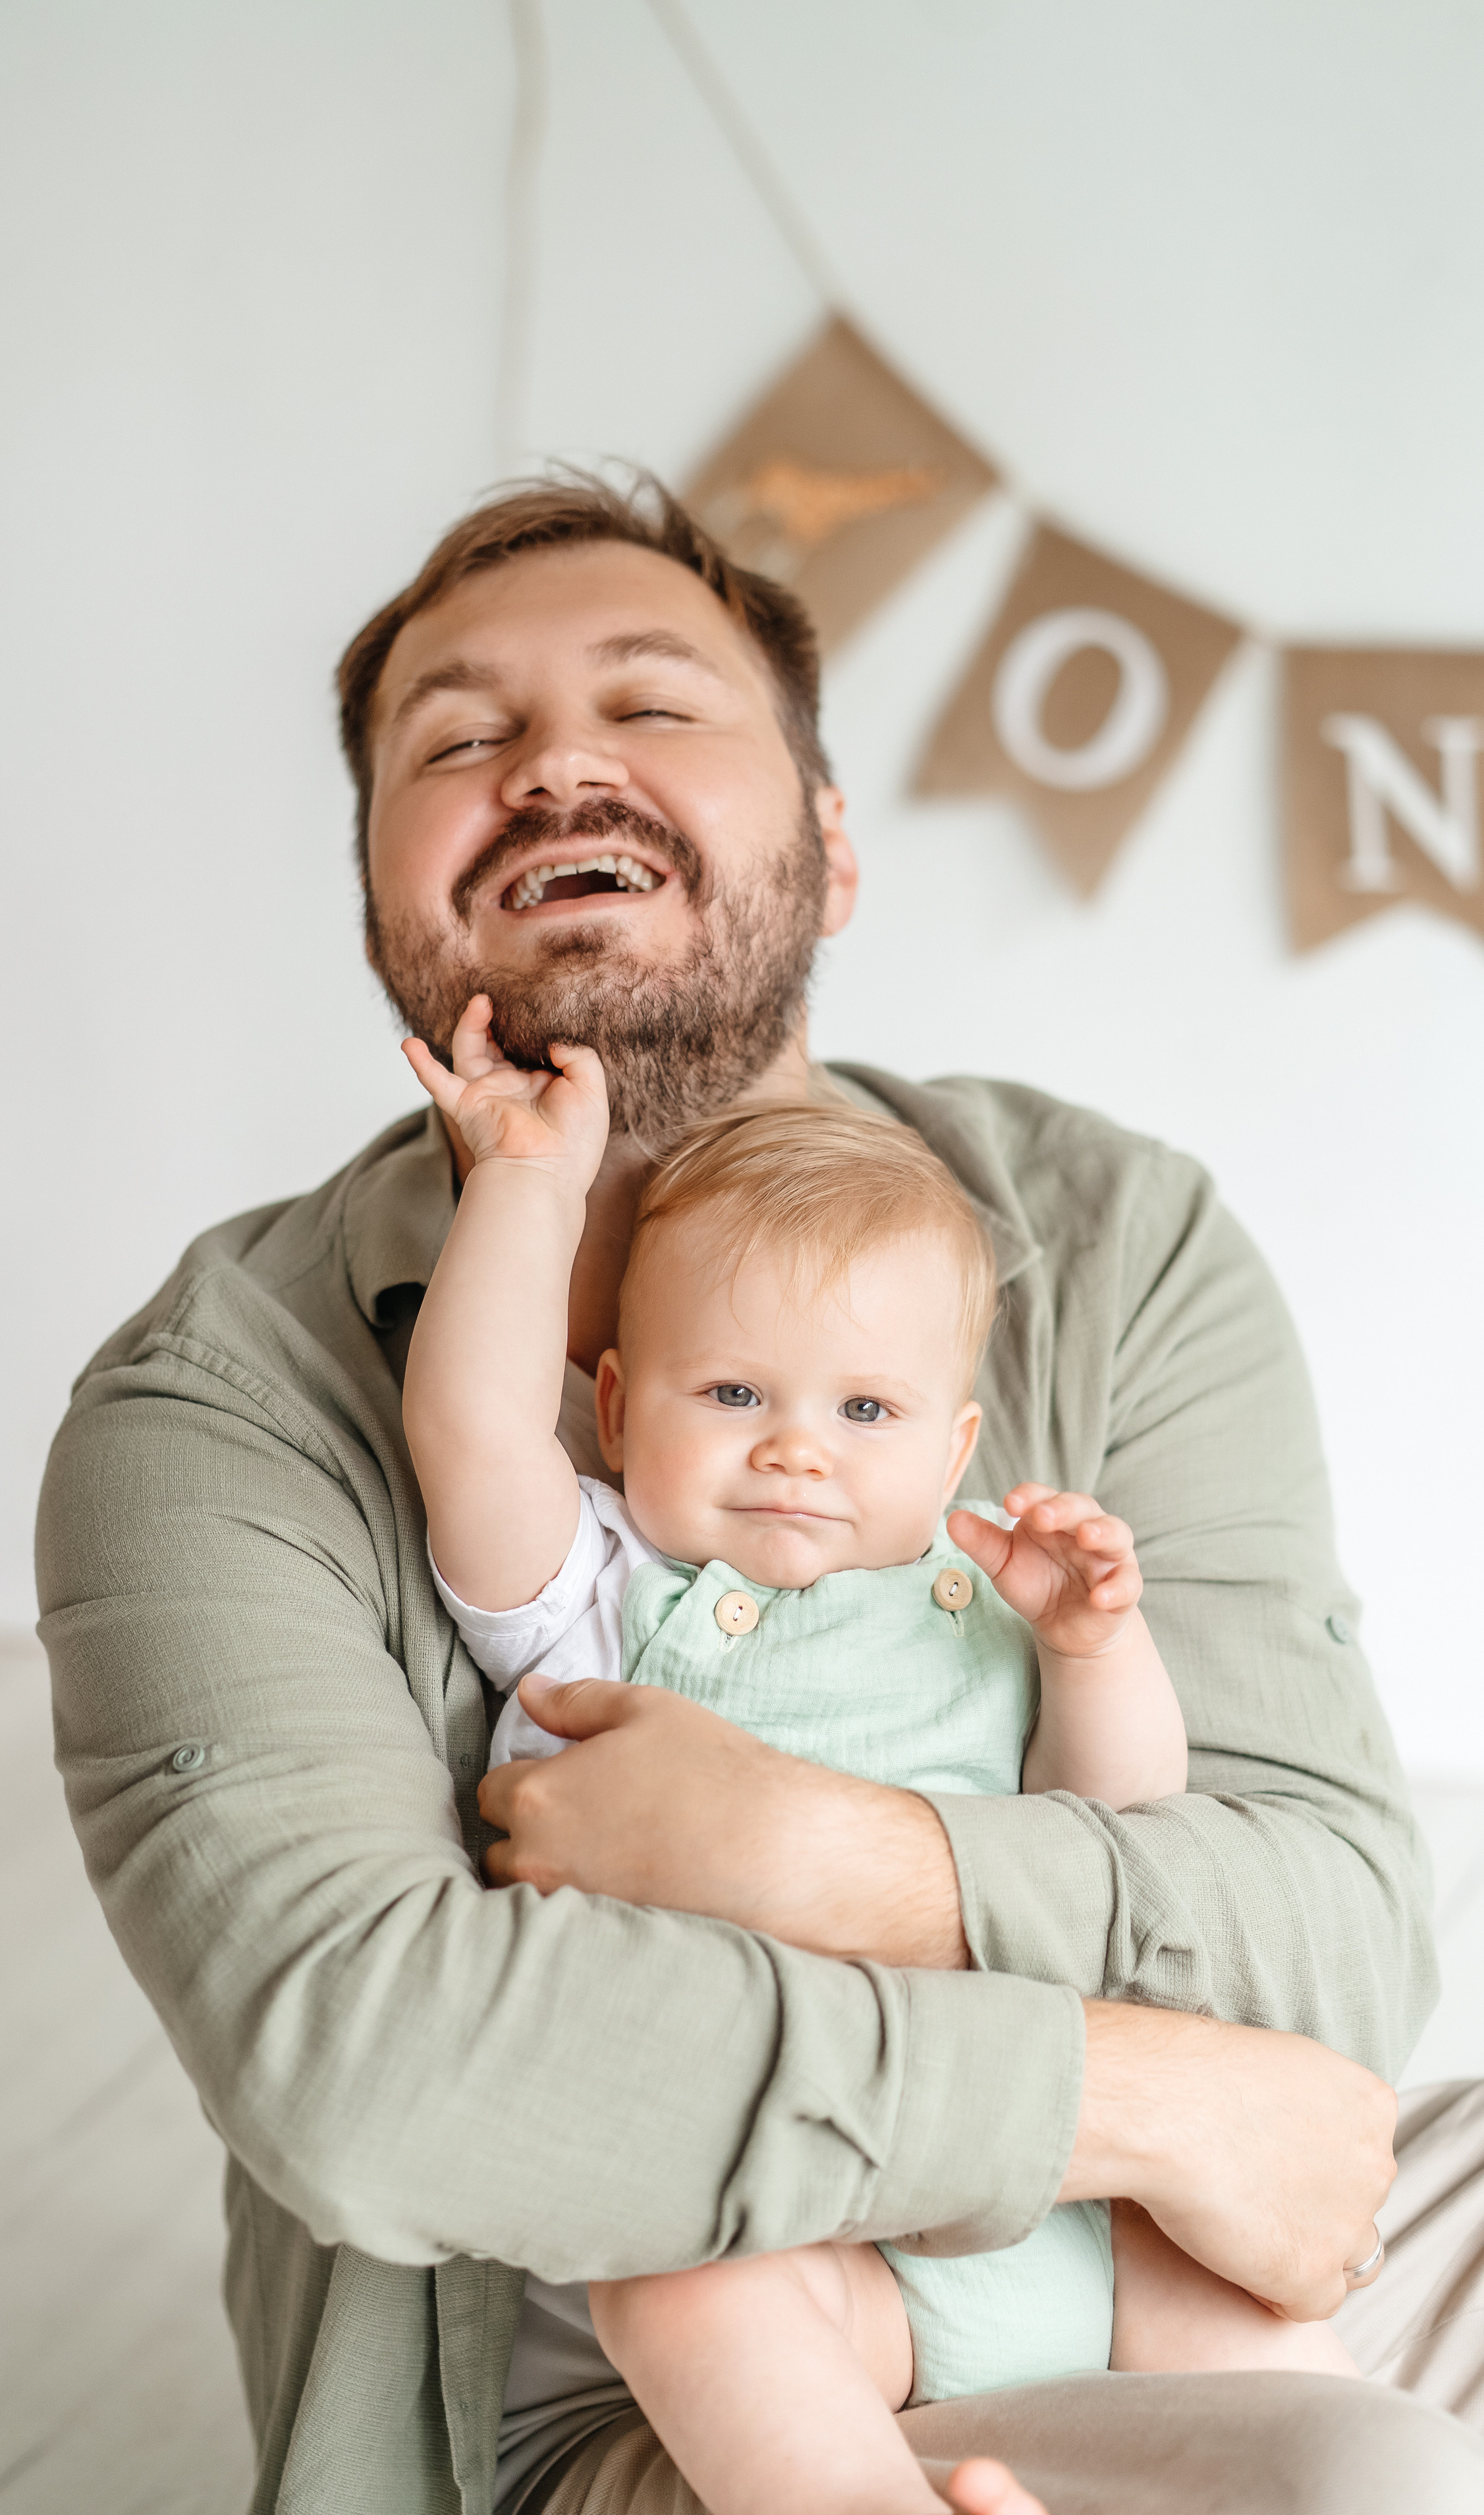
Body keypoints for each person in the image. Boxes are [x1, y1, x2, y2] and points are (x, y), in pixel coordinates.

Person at [35, 473, 1484, 2514]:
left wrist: (840, 1860)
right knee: (1370, 2483)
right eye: (457, 739)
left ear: (829, 848)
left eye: (653, 703)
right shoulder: (209, 1412)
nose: (554, 764)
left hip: (1115, 2243)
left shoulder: (1110, 1241)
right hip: (678, 2339)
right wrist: (1139, 2093)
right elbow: (378, 2071)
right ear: (383, 903)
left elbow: (1326, 1942)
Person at [398, 1021, 1359, 2515]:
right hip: (809, 2234)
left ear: (952, 1444)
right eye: (729, 1396)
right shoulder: (600, 1583)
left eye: (862, 1412)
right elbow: (464, 1424)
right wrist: (524, 1183)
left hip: (1070, 2197)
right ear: (611, 1409)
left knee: (1303, 2387)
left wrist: (1096, 1653)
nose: (795, 1451)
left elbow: (1118, 1826)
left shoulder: (980, 1609)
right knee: (677, 2290)